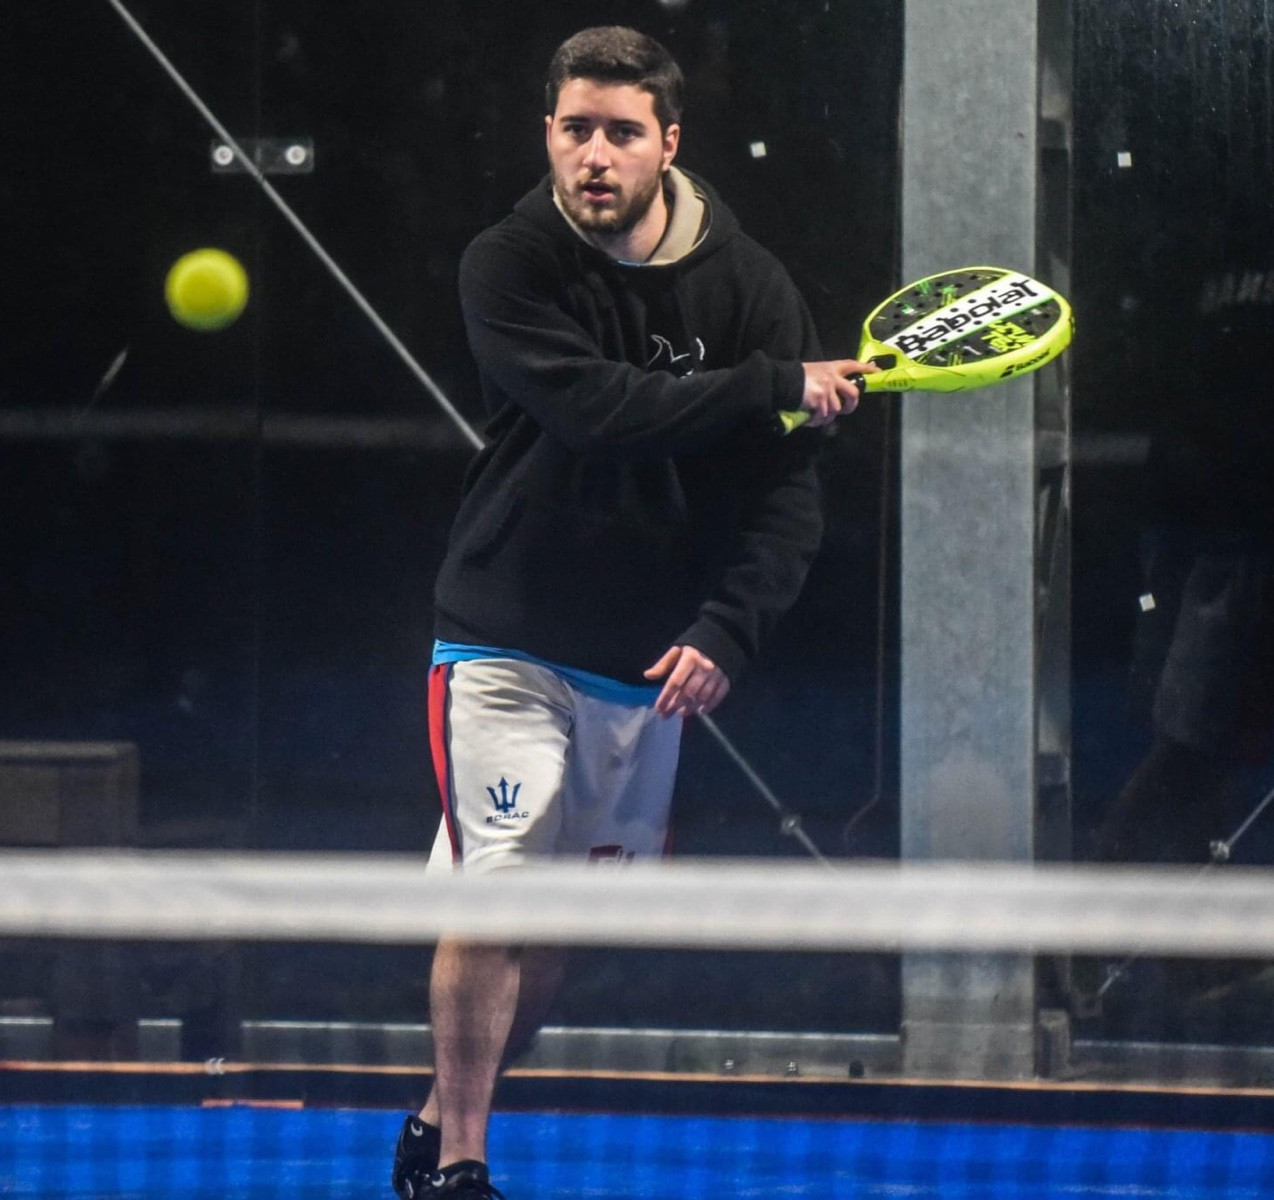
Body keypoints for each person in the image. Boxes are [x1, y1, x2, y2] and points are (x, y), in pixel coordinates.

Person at [391, 26, 867, 1200]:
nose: (593, 155)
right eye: (574, 129)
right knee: (497, 888)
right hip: (501, 638)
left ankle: (439, 1113)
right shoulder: (508, 264)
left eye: (620, 132)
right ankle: (462, 1167)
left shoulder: (749, 287)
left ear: (669, 143)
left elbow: (786, 499)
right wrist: (771, 385)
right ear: (547, 134)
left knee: (558, 930)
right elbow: (599, 412)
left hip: (643, 668)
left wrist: (727, 629)